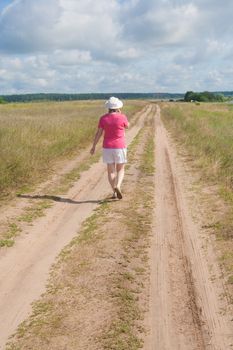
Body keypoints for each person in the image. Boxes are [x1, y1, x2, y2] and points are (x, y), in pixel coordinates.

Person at [90, 96, 129, 199]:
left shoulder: (103, 118)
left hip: (107, 147)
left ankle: (114, 192)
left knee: (111, 171)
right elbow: (127, 126)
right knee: (120, 169)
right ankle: (118, 186)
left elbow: (98, 133)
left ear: (108, 107)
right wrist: (120, 114)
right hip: (120, 147)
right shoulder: (122, 117)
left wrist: (93, 146)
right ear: (118, 107)